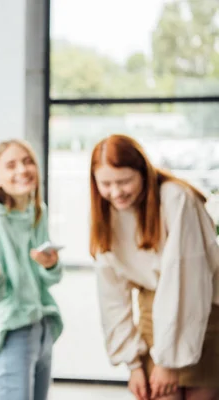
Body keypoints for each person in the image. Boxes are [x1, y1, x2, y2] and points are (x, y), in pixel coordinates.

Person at [90, 134, 219, 400]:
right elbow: (112, 297)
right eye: (106, 184)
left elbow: (186, 281)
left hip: (203, 314)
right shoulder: (105, 212)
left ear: (143, 172)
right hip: (154, 315)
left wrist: (168, 361)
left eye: (124, 181)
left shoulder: (176, 198)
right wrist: (133, 364)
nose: (116, 192)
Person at [0, 139, 64, 400]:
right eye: (11, 165)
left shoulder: (37, 212)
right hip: (12, 333)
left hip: (41, 327)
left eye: (28, 161)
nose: (22, 170)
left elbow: (47, 279)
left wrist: (50, 265)